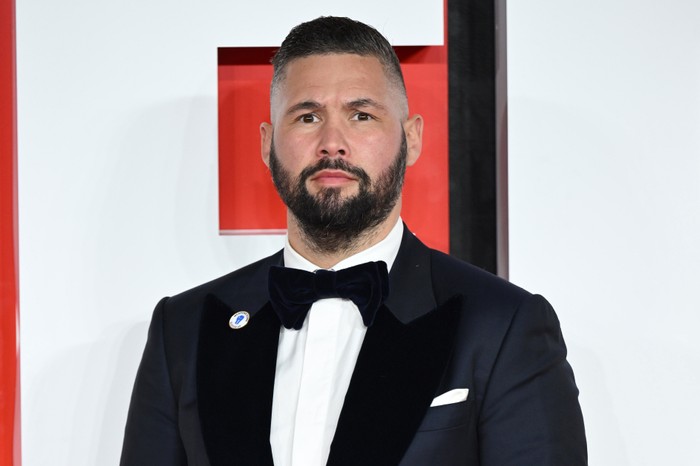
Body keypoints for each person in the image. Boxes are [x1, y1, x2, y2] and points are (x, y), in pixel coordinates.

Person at [120, 16, 587, 466]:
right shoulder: (181, 329)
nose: (332, 143)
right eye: (307, 117)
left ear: (412, 139)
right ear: (267, 144)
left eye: (361, 115)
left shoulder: (504, 326)